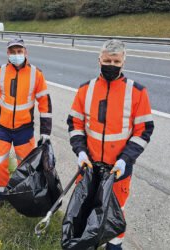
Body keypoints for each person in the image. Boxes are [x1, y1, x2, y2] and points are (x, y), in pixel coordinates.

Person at [67, 39, 154, 249]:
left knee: (115, 211)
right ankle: (86, 243)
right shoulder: (85, 90)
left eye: (116, 61)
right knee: (86, 207)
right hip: (89, 165)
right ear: (99, 60)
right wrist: (80, 152)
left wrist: (125, 160)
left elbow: (144, 130)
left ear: (124, 61)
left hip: (118, 169)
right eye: (107, 60)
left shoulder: (137, 92)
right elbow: (75, 123)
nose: (111, 65)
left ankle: (114, 246)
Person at [0, 38, 52, 210]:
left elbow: (45, 103)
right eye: (12, 52)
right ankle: (0, 196)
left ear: (25, 52)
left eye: (19, 51)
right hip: (2, 128)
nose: (16, 55)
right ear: (8, 54)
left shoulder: (36, 74)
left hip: (24, 130)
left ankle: (22, 196)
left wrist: (46, 131)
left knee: (26, 167)